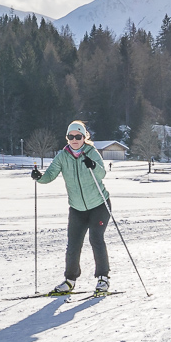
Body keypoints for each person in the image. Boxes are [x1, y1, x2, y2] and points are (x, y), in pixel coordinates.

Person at [32, 120, 111, 296]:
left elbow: (102, 173)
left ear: (84, 137)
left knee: (96, 238)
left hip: (99, 204)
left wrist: (93, 165)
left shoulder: (91, 152)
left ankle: (103, 278)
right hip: (77, 208)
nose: (74, 139)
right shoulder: (62, 156)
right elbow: (50, 175)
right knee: (73, 243)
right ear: (67, 138)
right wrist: (39, 177)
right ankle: (70, 280)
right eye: (71, 136)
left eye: (78, 136)